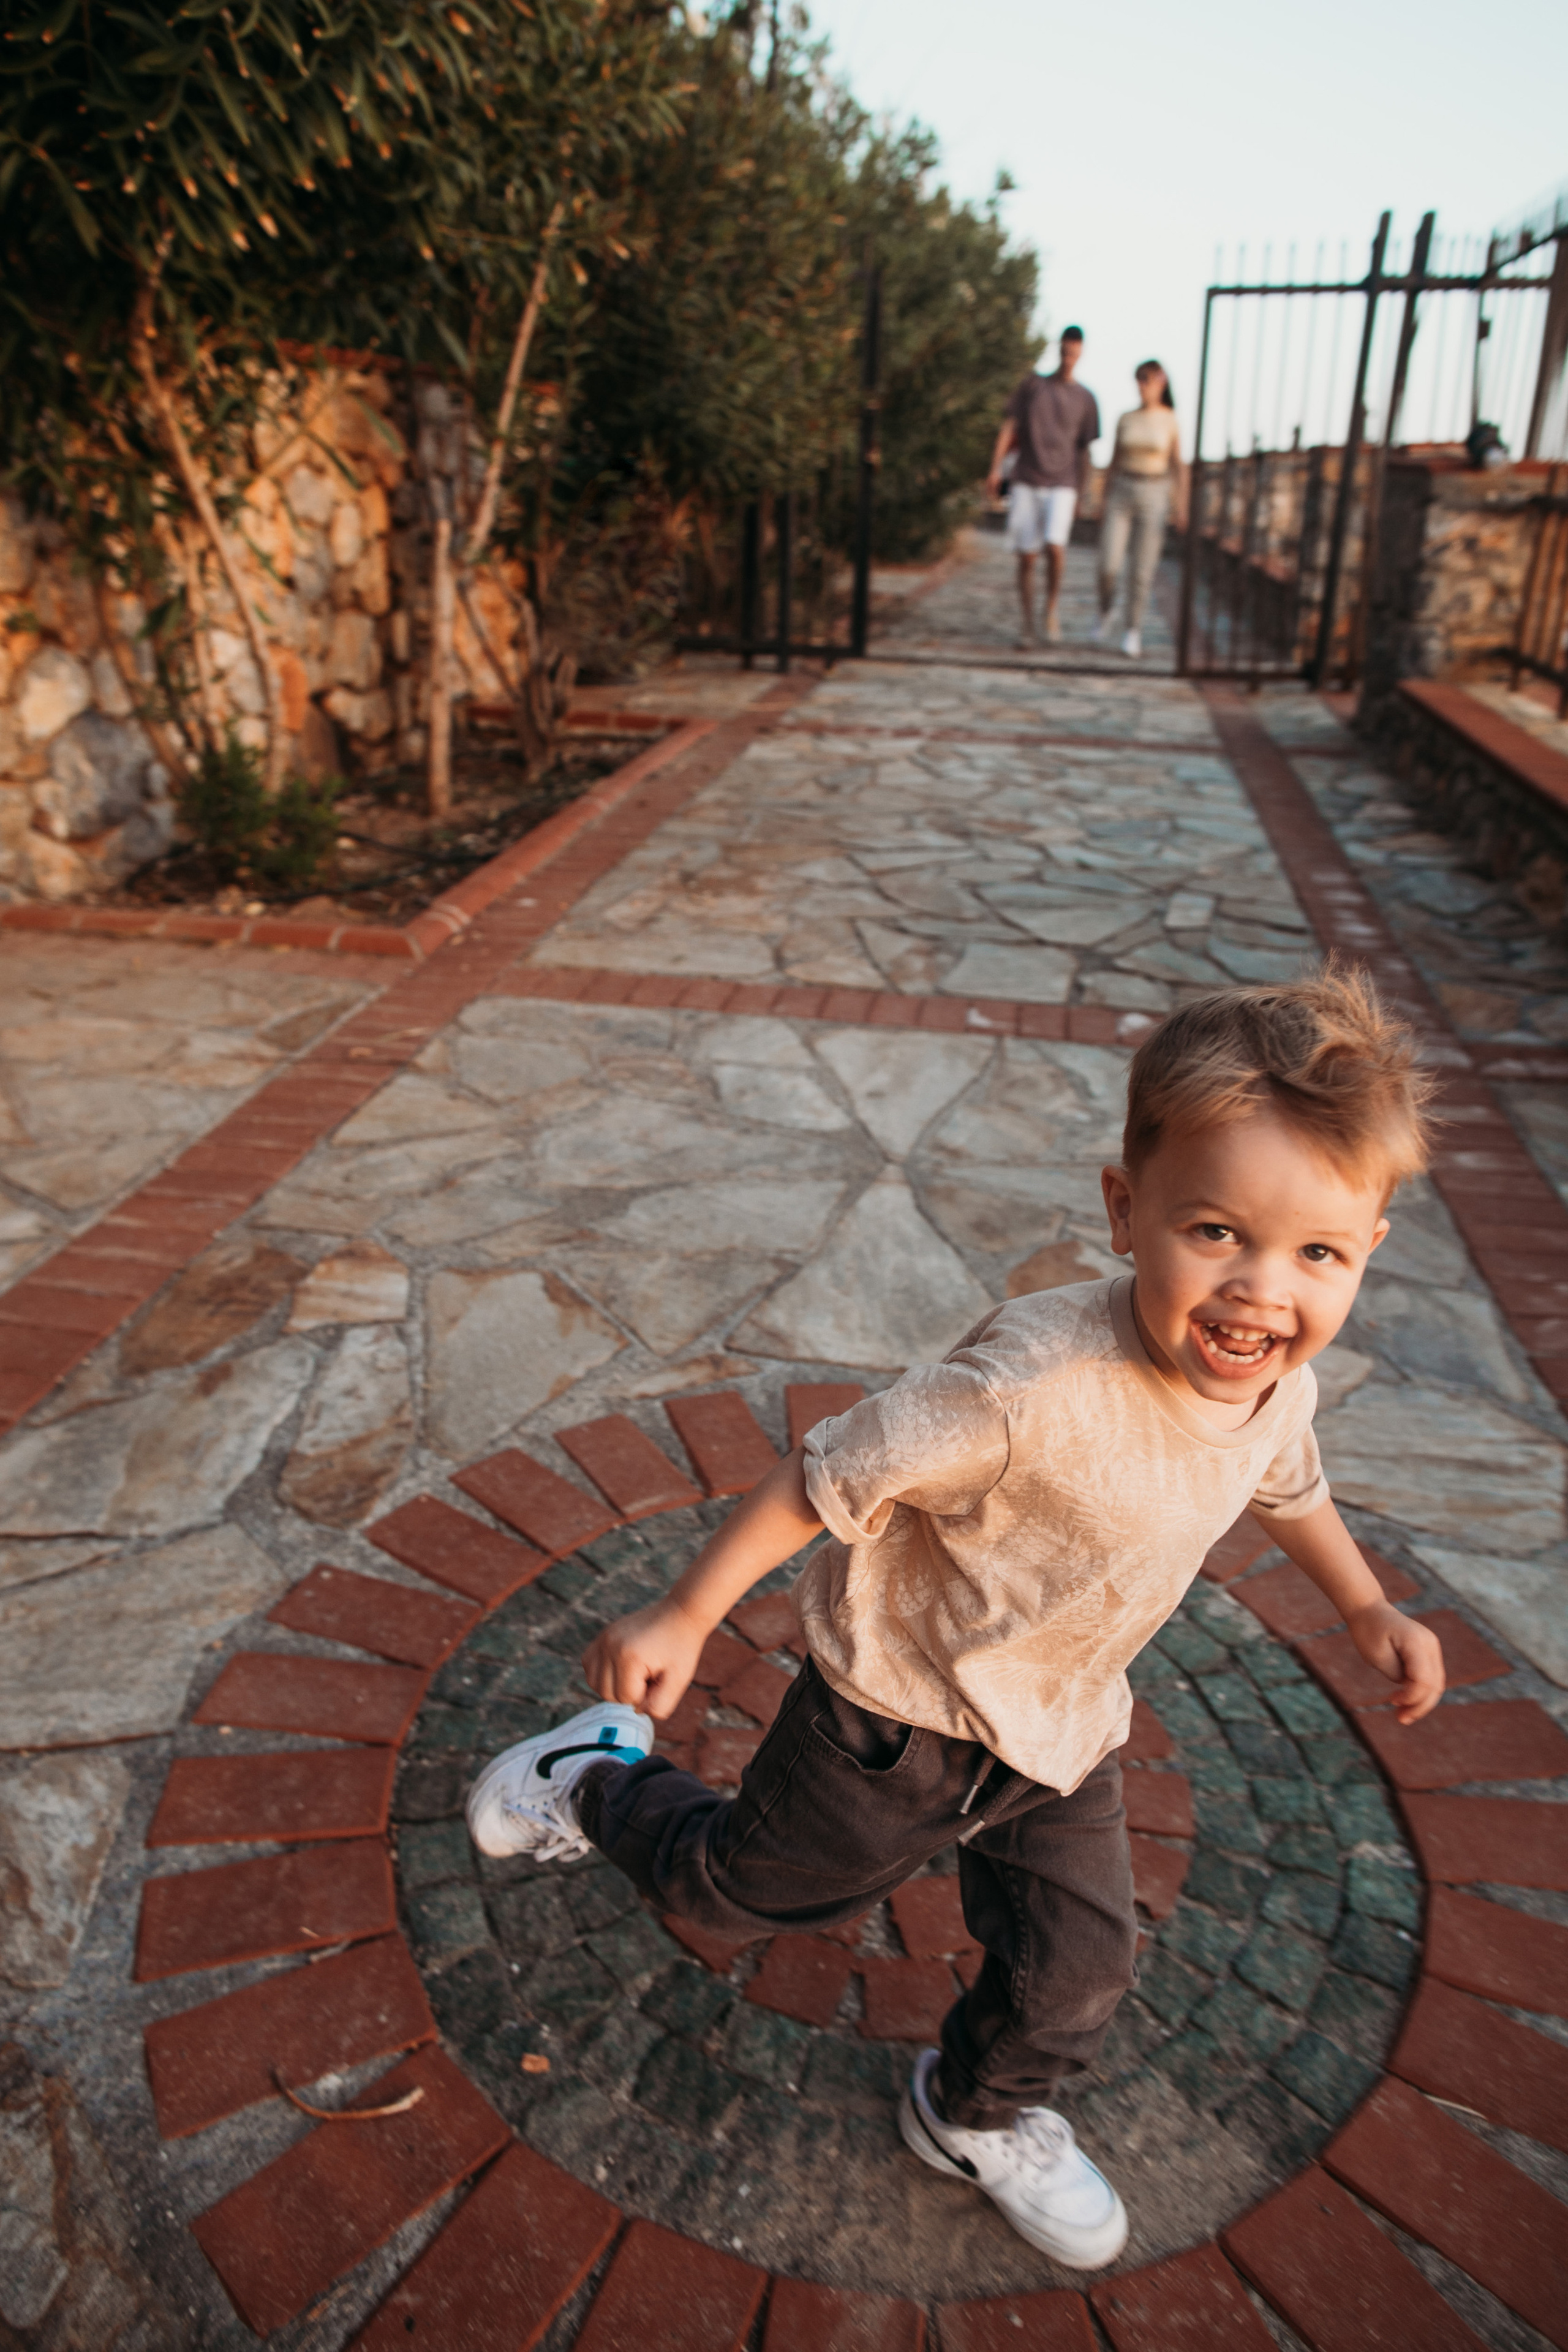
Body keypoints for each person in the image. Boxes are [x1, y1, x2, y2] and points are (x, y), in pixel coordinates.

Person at [467, 967, 1446, 2270]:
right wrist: (686, 1614)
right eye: (1216, 1231)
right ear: (1126, 1210)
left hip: (1061, 1733)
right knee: (735, 1894)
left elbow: (1288, 1482)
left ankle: (973, 2113)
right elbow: (825, 1477)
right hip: (894, 1721)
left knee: (1080, 1967)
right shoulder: (1025, 1389)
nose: (1261, 1292)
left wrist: (1366, 1603)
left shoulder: (1275, 1383)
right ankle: (588, 1778)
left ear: (1367, 1245)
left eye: (1316, 1253)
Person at [986, 328, 1100, 649]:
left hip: (1063, 482)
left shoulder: (1086, 399)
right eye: (1065, 352)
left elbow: (1085, 451)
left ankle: (1050, 608)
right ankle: (1027, 623)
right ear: (1058, 349)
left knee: (1055, 546)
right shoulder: (1033, 386)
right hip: (1027, 477)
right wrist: (995, 468)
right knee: (1027, 557)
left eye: (1074, 353)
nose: (1068, 359)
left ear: (1081, 354)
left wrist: (1083, 492)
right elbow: (1009, 426)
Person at [1094, 360, 1187, 660]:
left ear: (1161, 382)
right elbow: (1113, 461)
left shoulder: (1169, 420)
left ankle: (1132, 629)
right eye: (1138, 379)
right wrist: (1102, 500)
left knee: (1142, 569)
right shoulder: (1126, 418)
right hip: (1122, 490)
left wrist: (1181, 506)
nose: (1142, 385)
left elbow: (1178, 464)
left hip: (1155, 492)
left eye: (1147, 379)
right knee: (1108, 564)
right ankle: (1106, 609)